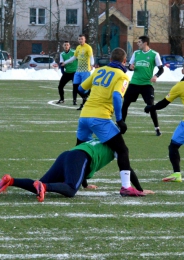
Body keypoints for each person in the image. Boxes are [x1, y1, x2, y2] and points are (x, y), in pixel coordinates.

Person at [76, 47, 145, 196]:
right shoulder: (122, 76)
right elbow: (116, 96)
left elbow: (81, 88)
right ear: (124, 61)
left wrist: (91, 97)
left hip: (84, 116)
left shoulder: (98, 71)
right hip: (100, 118)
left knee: (80, 150)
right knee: (122, 150)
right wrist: (120, 120)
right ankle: (126, 187)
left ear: (110, 59)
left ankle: (82, 183)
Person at [0, 139, 154, 202]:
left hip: (67, 155)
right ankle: (45, 187)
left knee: (38, 184)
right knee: (69, 190)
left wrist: (85, 184)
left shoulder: (99, 138)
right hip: (79, 158)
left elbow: (83, 164)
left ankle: (10, 181)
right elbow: (127, 169)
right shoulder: (118, 145)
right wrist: (139, 189)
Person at [122, 35, 164, 136]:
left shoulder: (154, 54)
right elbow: (130, 67)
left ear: (145, 43)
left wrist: (156, 76)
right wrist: (131, 67)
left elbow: (161, 69)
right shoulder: (136, 53)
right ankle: (121, 125)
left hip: (147, 85)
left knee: (151, 106)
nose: (138, 44)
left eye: (139, 42)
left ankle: (157, 128)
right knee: (125, 104)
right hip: (134, 83)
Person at [61, 34, 94, 110]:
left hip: (85, 71)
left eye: (82, 39)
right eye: (79, 39)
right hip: (78, 71)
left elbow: (91, 57)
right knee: (75, 87)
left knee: (83, 88)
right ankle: (85, 98)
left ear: (85, 39)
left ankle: (83, 104)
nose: (80, 40)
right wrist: (65, 62)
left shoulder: (88, 47)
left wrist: (92, 65)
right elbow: (74, 57)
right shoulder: (78, 48)